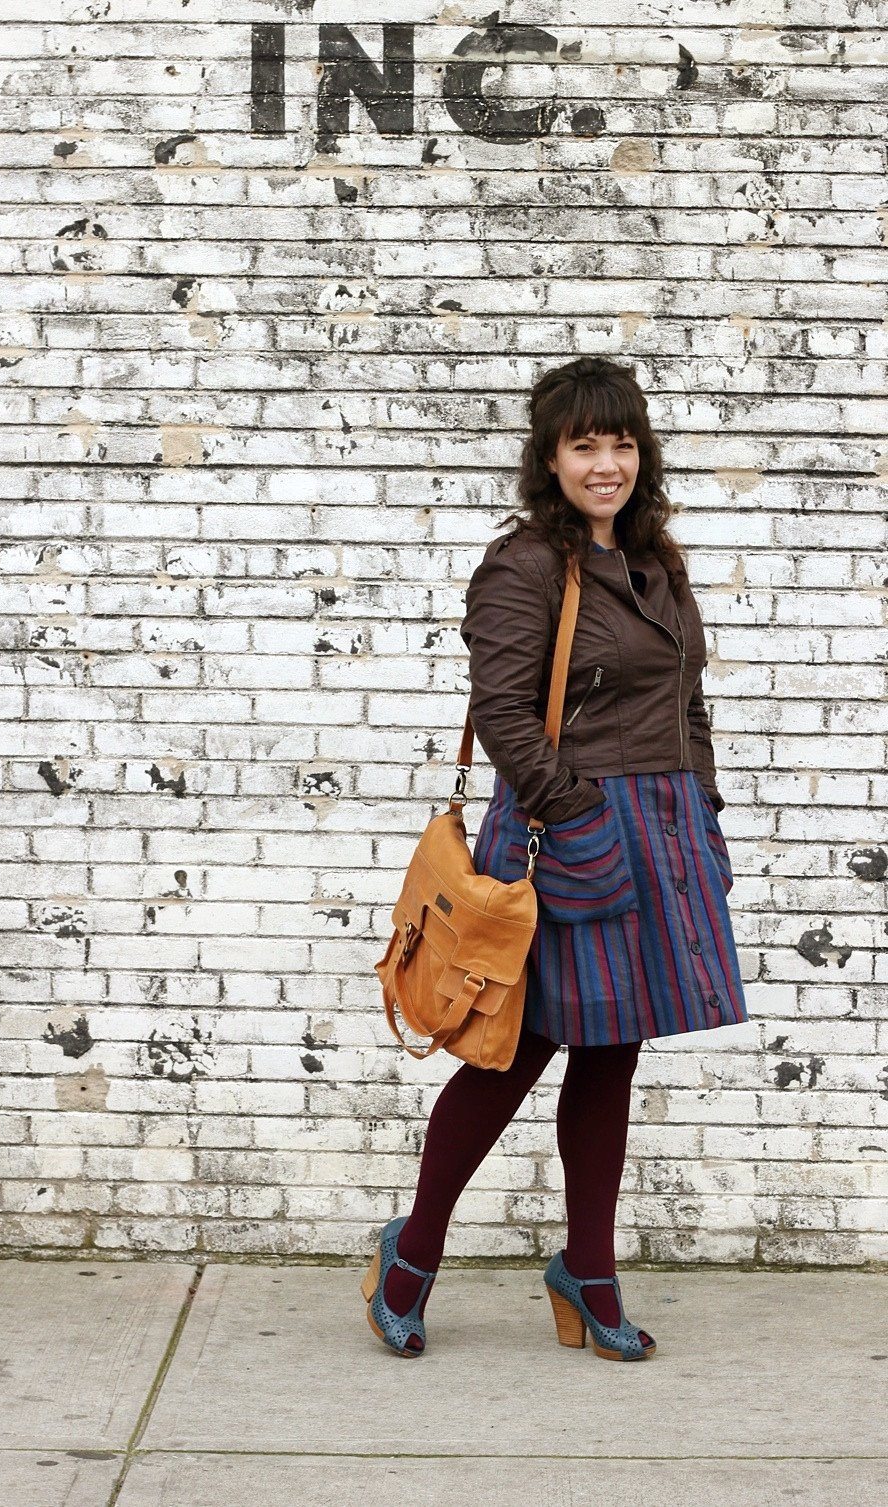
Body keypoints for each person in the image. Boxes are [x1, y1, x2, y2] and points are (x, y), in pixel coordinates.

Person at [361, 355, 749, 1361]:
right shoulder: (526, 563)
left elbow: (685, 702)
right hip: (561, 830)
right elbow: (500, 710)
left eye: (621, 442)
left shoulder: (658, 561)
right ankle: (414, 1250)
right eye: (585, 444)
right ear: (549, 456)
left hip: (659, 824)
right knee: (512, 1048)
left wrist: (697, 804)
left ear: (640, 453)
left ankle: (589, 1267)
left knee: (611, 1053)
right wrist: (575, 813)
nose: (606, 462)